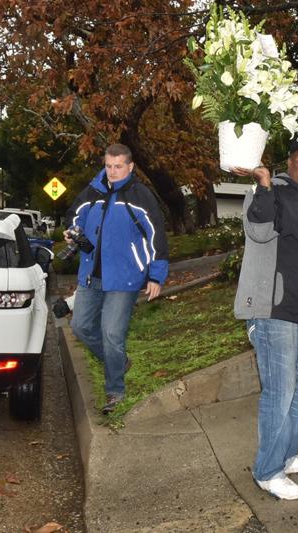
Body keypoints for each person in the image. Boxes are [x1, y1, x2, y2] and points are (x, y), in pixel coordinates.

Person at [232, 134, 298, 500]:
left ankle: (286, 456)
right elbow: (258, 230)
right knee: (280, 392)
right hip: (274, 312)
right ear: (289, 161)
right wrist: (262, 186)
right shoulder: (271, 192)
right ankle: (267, 471)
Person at [65, 143, 169, 414]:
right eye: (108, 166)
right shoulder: (94, 190)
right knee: (81, 327)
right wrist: (72, 230)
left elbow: (156, 236)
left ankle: (115, 392)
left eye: (118, 166)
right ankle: (120, 362)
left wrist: (155, 276)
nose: (112, 172)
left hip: (125, 278)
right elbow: (75, 214)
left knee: (111, 333)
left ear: (130, 166)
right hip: (91, 276)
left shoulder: (140, 195)